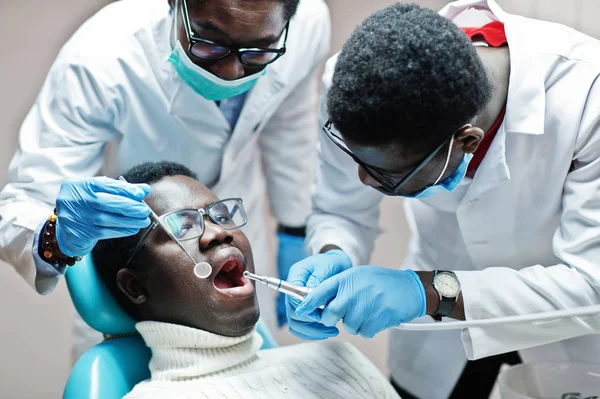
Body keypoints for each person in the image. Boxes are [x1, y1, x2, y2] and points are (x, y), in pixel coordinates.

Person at [285, 1, 600, 399]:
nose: (364, 180)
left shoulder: (588, 100)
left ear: (466, 142)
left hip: (565, 330)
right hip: (439, 341)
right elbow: (340, 208)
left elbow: (592, 282)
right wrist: (333, 253)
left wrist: (428, 293)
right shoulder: (356, 85)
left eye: (386, 174)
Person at [0, 0, 330, 361]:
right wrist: (56, 235)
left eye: (256, 52)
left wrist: (294, 228)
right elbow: (24, 202)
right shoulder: (100, 58)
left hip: (230, 241)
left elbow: (289, 124)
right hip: (146, 275)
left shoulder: (305, 25)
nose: (232, 71)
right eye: (209, 43)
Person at [89, 161, 398, 399]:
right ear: (136, 286)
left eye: (220, 215)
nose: (220, 232)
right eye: (182, 227)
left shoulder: (336, 359)